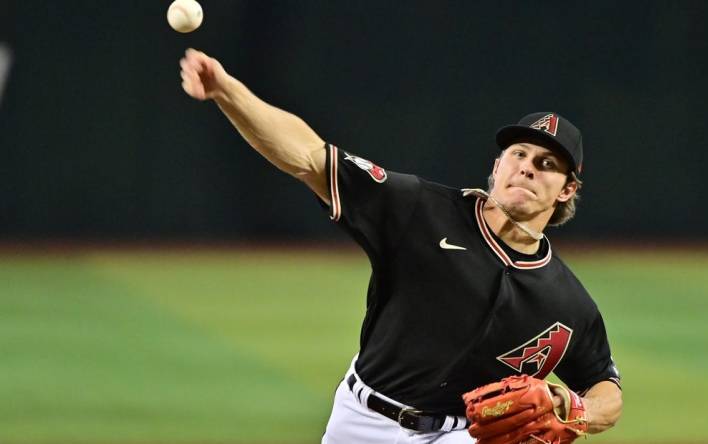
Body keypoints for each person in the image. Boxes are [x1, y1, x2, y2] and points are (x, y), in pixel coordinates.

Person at [179, 48, 623, 444]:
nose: (527, 168)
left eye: (546, 164)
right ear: (497, 165)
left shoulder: (567, 303)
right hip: (360, 421)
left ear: (567, 190)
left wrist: (575, 409)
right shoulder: (420, 209)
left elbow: (605, 389)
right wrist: (226, 91)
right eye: (518, 155)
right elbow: (309, 157)